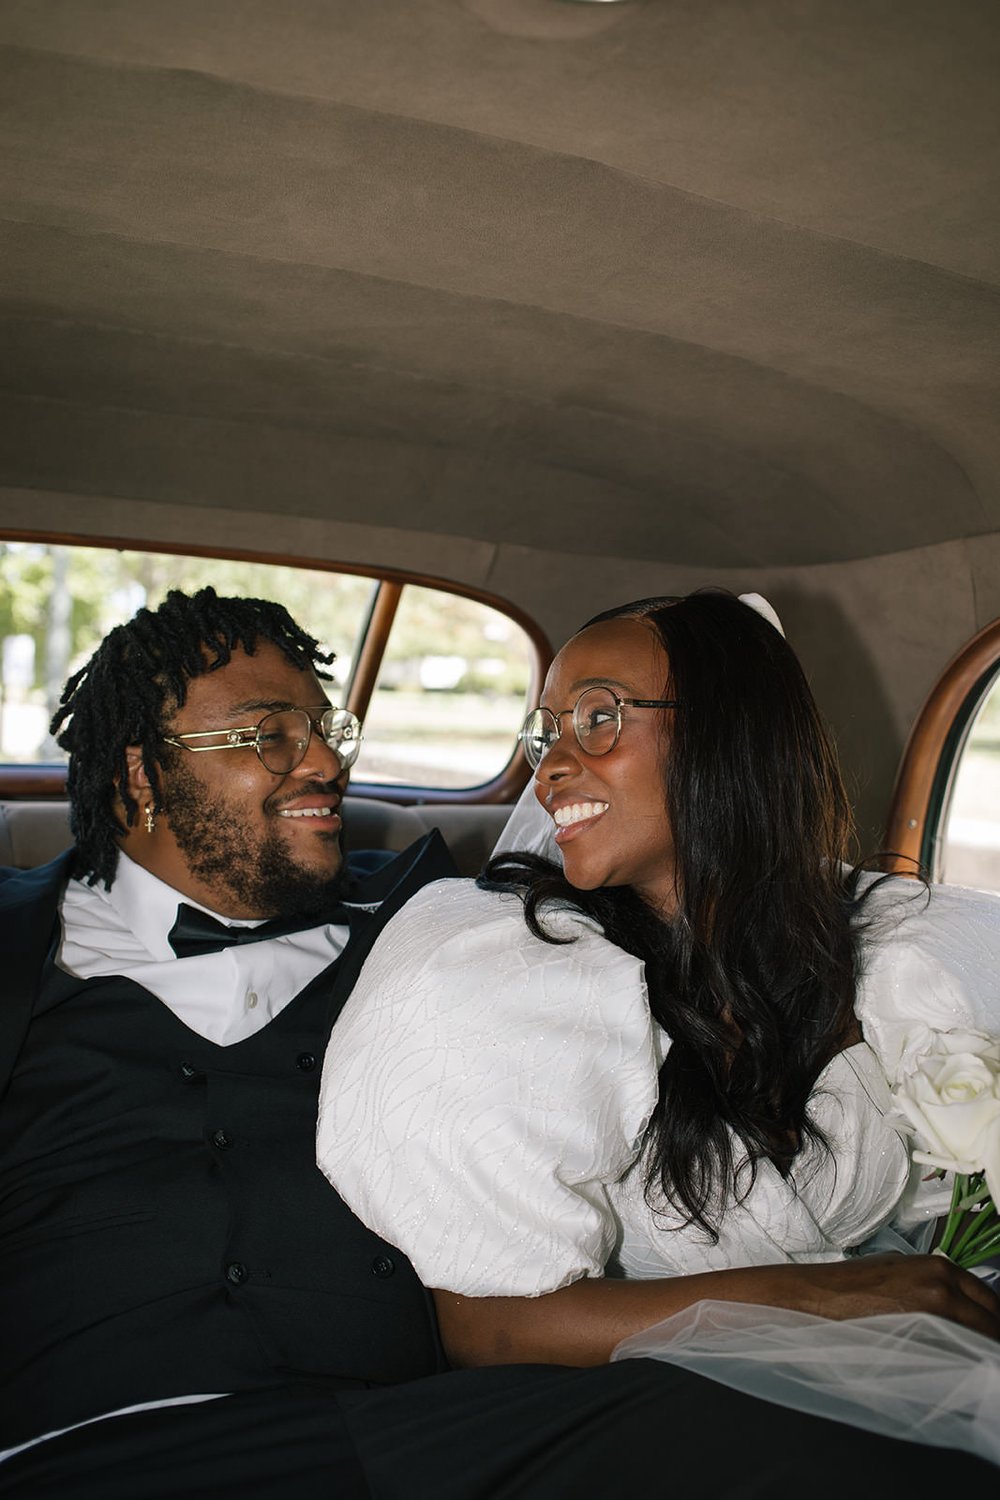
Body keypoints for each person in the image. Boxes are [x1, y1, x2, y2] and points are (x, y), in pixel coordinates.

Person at [3, 585, 994, 1497]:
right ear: (140, 774)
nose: (325, 763)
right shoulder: (15, 945)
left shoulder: (462, 930)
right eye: (269, 735)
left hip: (420, 1436)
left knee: (838, 1455)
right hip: (76, 1445)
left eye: (325, 728)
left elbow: (723, 940)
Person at [318, 590, 1000, 1466]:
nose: (550, 765)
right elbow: (487, 1334)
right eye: (544, 733)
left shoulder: (901, 948)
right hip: (659, 1419)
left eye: (597, 717)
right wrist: (840, 1300)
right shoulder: (510, 977)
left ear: (730, 736)